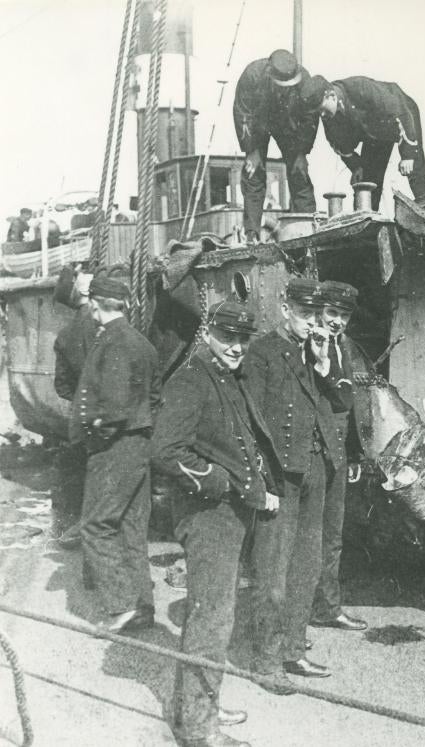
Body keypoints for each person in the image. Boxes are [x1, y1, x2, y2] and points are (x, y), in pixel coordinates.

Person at [153, 301, 279, 747]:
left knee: (212, 618)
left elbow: (240, 441)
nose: (236, 347)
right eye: (228, 337)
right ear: (208, 332)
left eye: (243, 339)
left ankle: (195, 705)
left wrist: (258, 484)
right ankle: (200, 730)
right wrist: (222, 483)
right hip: (208, 517)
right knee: (212, 621)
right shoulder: (190, 380)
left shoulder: (226, 376)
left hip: (229, 514)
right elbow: (165, 452)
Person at [244, 278, 354, 693]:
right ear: (284, 308)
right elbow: (252, 417)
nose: (312, 324)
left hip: (316, 470)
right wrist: (259, 477)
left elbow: (343, 403)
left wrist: (325, 365)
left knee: (305, 568)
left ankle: (293, 648)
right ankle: (266, 661)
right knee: (272, 572)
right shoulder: (262, 352)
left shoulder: (319, 351)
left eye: (315, 316)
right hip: (280, 474)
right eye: (305, 315)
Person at [72, 276, 161, 633]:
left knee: (94, 526)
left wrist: (95, 438)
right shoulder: (142, 343)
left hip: (114, 447)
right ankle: (142, 608)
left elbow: (112, 408)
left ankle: (121, 604)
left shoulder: (112, 342)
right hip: (139, 444)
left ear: (94, 304)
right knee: (131, 529)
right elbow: (154, 398)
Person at [309, 281, 367, 632]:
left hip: (338, 450)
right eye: (332, 313)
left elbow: (350, 404)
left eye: (343, 315)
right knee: (309, 536)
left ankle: (327, 608)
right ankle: (303, 611)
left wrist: (354, 453)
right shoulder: (308, 347)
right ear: (318, 312)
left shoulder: (343, 346)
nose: (337, 321)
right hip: (314, 450)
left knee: (332, 536)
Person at [300, 75, 425, 210]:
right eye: (319, 113)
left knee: (415, 169)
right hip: (374, 133)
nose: (322, 116)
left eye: (323, 110)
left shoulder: (361, 88)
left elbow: (401, 112)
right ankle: (367, 226)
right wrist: (357, 167)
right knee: (367, 183)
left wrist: (408, 155)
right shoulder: (328, 116)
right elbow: (341, 146)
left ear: (332, 96)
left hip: (403, 115)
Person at [233, 49, 319, 243]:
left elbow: (310, 118)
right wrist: (251, 150)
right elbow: (242, 114)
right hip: (258, 124)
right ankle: (252, 234)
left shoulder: (305, 80)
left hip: (288, 125)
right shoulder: (252, 76)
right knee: (253, 172)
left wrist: (302, 152)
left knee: (300, 172)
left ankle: (308, 229)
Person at [52, 265, 99, 544]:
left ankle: (84, 528)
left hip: (82, 418)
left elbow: (62, 386)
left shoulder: (65, 335)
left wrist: (83, 397)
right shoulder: (110, 327)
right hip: (113, 416)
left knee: (84, 473)